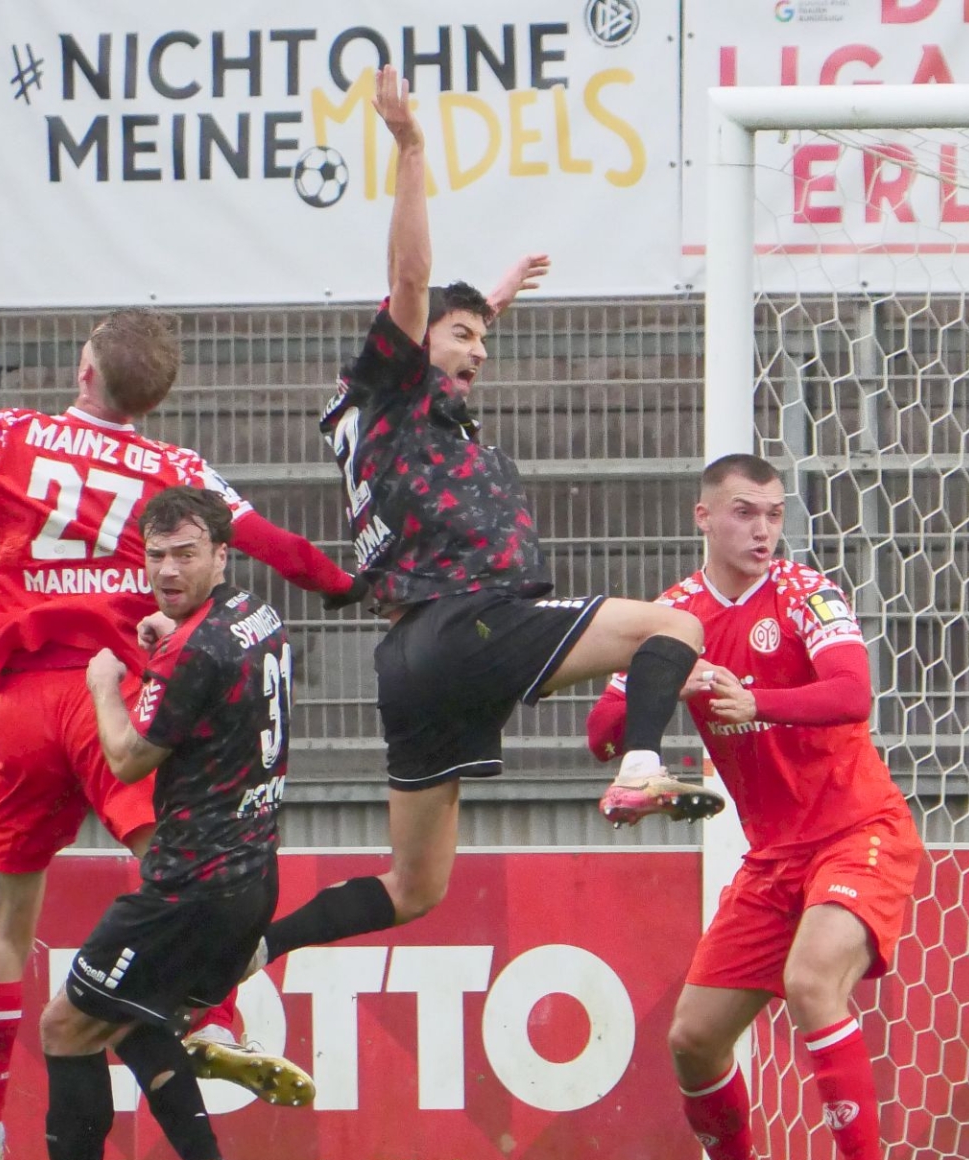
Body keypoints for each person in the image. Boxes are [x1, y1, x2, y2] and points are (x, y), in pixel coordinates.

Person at [0, 308, 338, 1160]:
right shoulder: (175, 469)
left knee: (5, 924)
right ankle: (213, 1018)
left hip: (21, 703)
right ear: (153, 397)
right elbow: (275, 548)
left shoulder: (9, 435)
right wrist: (351, 585)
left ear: (84, 371)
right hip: (112, 691)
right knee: (178, 872)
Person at [244, 64, 723, 971]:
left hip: (411, 658)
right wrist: (410, 146)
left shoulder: (387, 411)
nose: (479, 351)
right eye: (463, 336)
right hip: (468, 620)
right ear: (411, 340)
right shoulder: (392, 381)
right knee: (675, 627)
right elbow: (412, 278)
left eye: (484, 340)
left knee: (415, 885)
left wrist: (486, 301)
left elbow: (440, 328)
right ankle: (639, 768)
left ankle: (256, 948)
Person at [587, 455, 924, 1160]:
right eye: (744, 511)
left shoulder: (807, 594)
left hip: (858, 830)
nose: (763, 528)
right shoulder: (671, 619)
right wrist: (667, 684)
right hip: (773, 858)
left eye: (773, 513)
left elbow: (853, 691)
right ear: (704, 517)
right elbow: (602, 733)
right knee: (694, 1037)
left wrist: (754, 699)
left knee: (812, 980)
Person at [0, 487, 291, 1160]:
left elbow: (124, 758)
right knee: (132, 1016)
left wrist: (99, 683)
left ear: (222, 553)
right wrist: (166, 640)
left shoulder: (192, 650)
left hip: (186, 884)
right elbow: (209, 676)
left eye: (186, 554)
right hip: (251, 875)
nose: (168, 570)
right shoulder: (256, 616)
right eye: (156, 555)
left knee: (65, 1025)